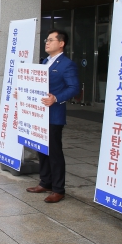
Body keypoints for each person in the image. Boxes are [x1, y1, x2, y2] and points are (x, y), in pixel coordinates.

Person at [26, 29, 80, 203]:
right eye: (46, 40)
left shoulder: (67, 64)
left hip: (54, 114)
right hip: (39, 115)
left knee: (55, 153)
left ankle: (58, 189)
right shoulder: (44, 62)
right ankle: (45, 182)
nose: (46, 43)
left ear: (61, 43)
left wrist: (56, 98)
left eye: (50, 40)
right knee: (42, 150)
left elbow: (74, 88)